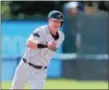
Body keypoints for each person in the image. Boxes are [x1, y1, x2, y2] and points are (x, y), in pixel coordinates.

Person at [11, 10, 65, 89]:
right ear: (49, 21)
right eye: (55, 21)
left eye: (59, 22)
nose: (57, 24)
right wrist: (46, 45)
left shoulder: (61, 36)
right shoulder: (40, 31)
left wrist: (48, 47)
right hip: (26, 66)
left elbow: (50, 51)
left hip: (41, 71)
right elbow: (29, 43)